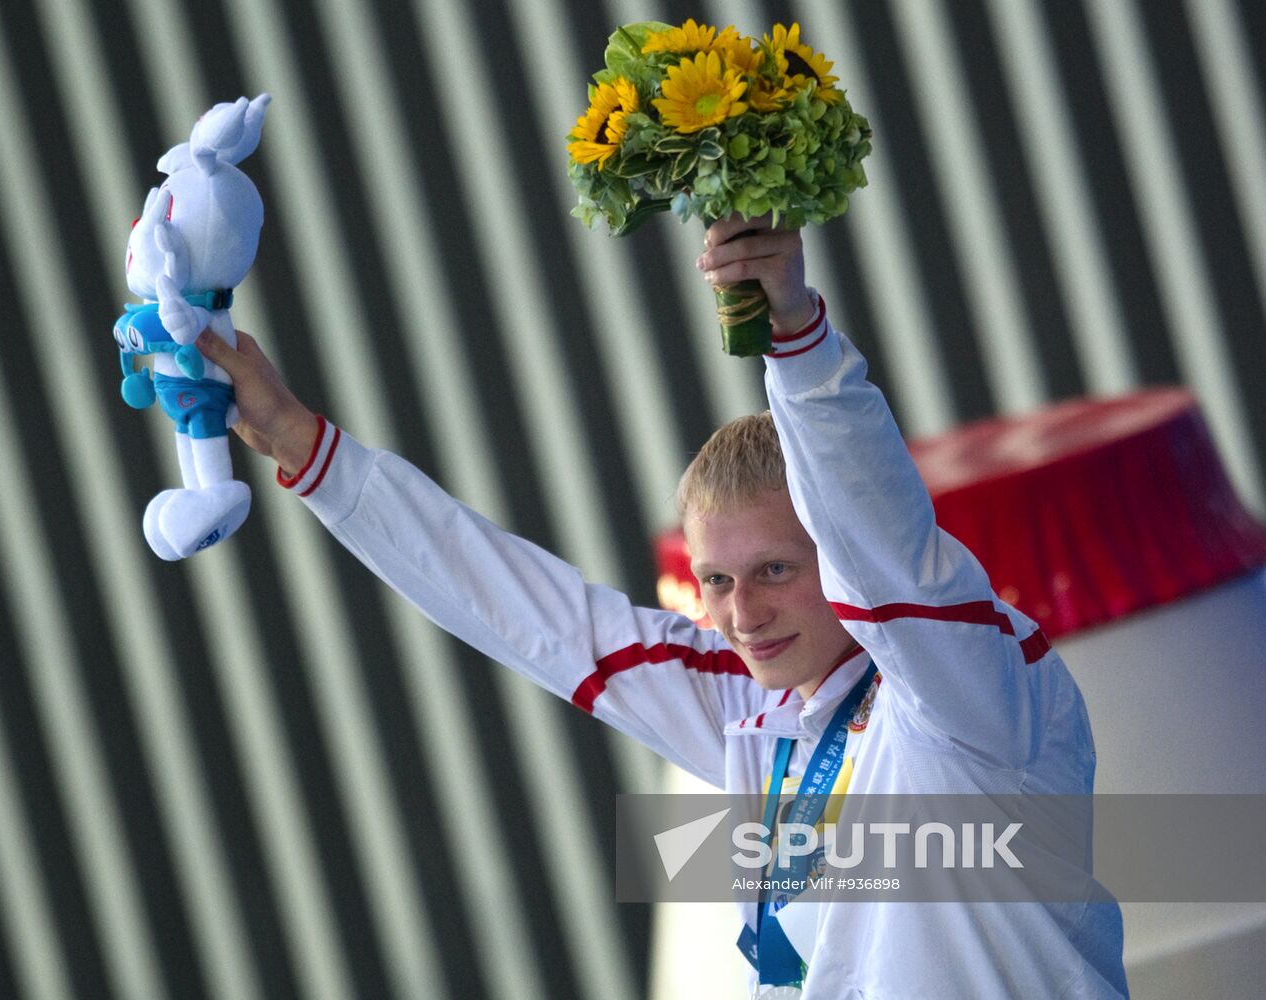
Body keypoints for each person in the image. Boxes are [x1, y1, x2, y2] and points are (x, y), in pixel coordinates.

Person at [195, 217, 1127, 998]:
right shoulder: (743, 701)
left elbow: (881, 535)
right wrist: (300, 444)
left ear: (836, 563)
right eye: (715, 581)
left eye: (772, 570)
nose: (740, 613)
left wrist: (794, 335)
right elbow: (529, 610)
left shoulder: (973, 692)